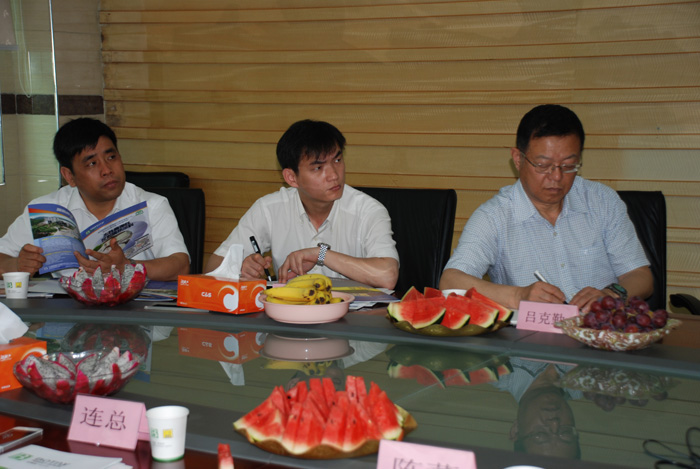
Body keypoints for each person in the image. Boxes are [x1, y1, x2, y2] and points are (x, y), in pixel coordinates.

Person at [439, 104, 652, 312]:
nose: (557, 176)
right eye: (543, 165)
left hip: (600, 330)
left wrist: (611, 294)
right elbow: (450, 281)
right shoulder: (495, 216)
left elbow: (640, 276)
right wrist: (518, 296)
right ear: (518, 159)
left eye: (568, 165)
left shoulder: (602, 201)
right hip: (531, 333)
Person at [205, 119, 399, 289]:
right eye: (318, 167)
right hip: (288, 316)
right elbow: (211, 268)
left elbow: (388, 276)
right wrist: (239, 268)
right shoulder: (269, 209)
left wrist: (320, 254)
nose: (334, 175)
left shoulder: (368, 211)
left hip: (353, 317)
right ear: (291, 178)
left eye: (338, 160)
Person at [0, 118, 190, 281]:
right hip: (67, 307)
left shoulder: (152, 205)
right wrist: (16, 265)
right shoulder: (45, 210)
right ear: (69, 176)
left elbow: (180, 266)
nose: (107, 170)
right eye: (92, 163)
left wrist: (127, 266)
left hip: (134, 306)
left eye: (111, 157)